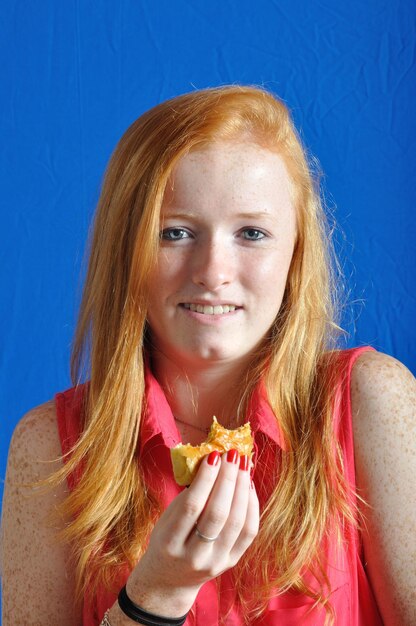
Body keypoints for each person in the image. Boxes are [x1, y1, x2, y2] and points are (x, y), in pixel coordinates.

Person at [1, 85, 415, 626]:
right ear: (125, 252)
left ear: (296, 254)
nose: (213, 271)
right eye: (174, 232)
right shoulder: (50, 447)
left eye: (251, 232)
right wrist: (153, 596)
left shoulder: (374, 402)